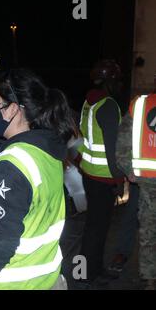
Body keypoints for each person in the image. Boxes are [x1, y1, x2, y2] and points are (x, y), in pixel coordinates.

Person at [0, 69, 75, 290]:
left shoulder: (11, 167)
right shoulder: (45, 150)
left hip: (6, 284)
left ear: (12, 109)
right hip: (43, 280)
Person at [76, 59, 126, 285]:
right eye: (116, 81)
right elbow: (111, 147)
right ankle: (87, 273)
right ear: (110, 81)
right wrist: (118, 179)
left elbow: (82, 138)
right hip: (103, 176)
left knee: (92, 226)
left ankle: (87, 270)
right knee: (98, 228)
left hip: (89, 173)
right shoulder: (108, 106)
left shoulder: (89, 102)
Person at [115, 80, 156, 290]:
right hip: (147, 181)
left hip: (146, 180)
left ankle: (150, 279)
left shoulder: (139, 105)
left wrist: (128, 168)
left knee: (149, 231)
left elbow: (122, 140)